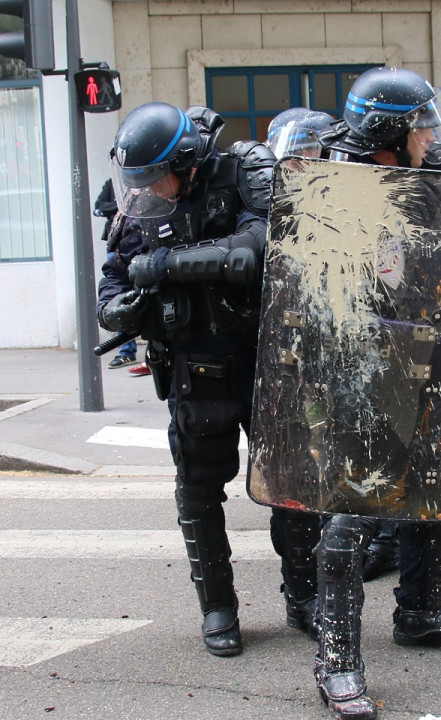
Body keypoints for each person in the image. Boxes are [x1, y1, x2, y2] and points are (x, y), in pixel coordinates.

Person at [97, 102, 322, 658]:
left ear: (188, 161)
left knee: (290, 488)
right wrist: (121, 309)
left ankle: (305, 597)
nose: (152, 188)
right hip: (196, 370)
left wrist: (167, 266)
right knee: (198, 490)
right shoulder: (143, 202)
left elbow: (260, 247)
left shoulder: (244, 171)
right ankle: (217, 608)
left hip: (266, 363)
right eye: (140, 179)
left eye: (158, 175)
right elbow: (111, 281)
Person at [312, 66, 441, 720]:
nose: (429, 137)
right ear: (390, 133)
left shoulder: (423, 182)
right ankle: (337, 662)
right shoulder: (339, 190)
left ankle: (418, 612)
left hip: (429, 358)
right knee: (354, 510)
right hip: (364, 369)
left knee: (434, 489)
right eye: (418, 128)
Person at [94, 179, 147, 374]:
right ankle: (126, 351)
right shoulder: (112, 184)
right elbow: (99, 207)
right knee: (124, 301)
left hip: (143, 242)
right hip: (120, 245)